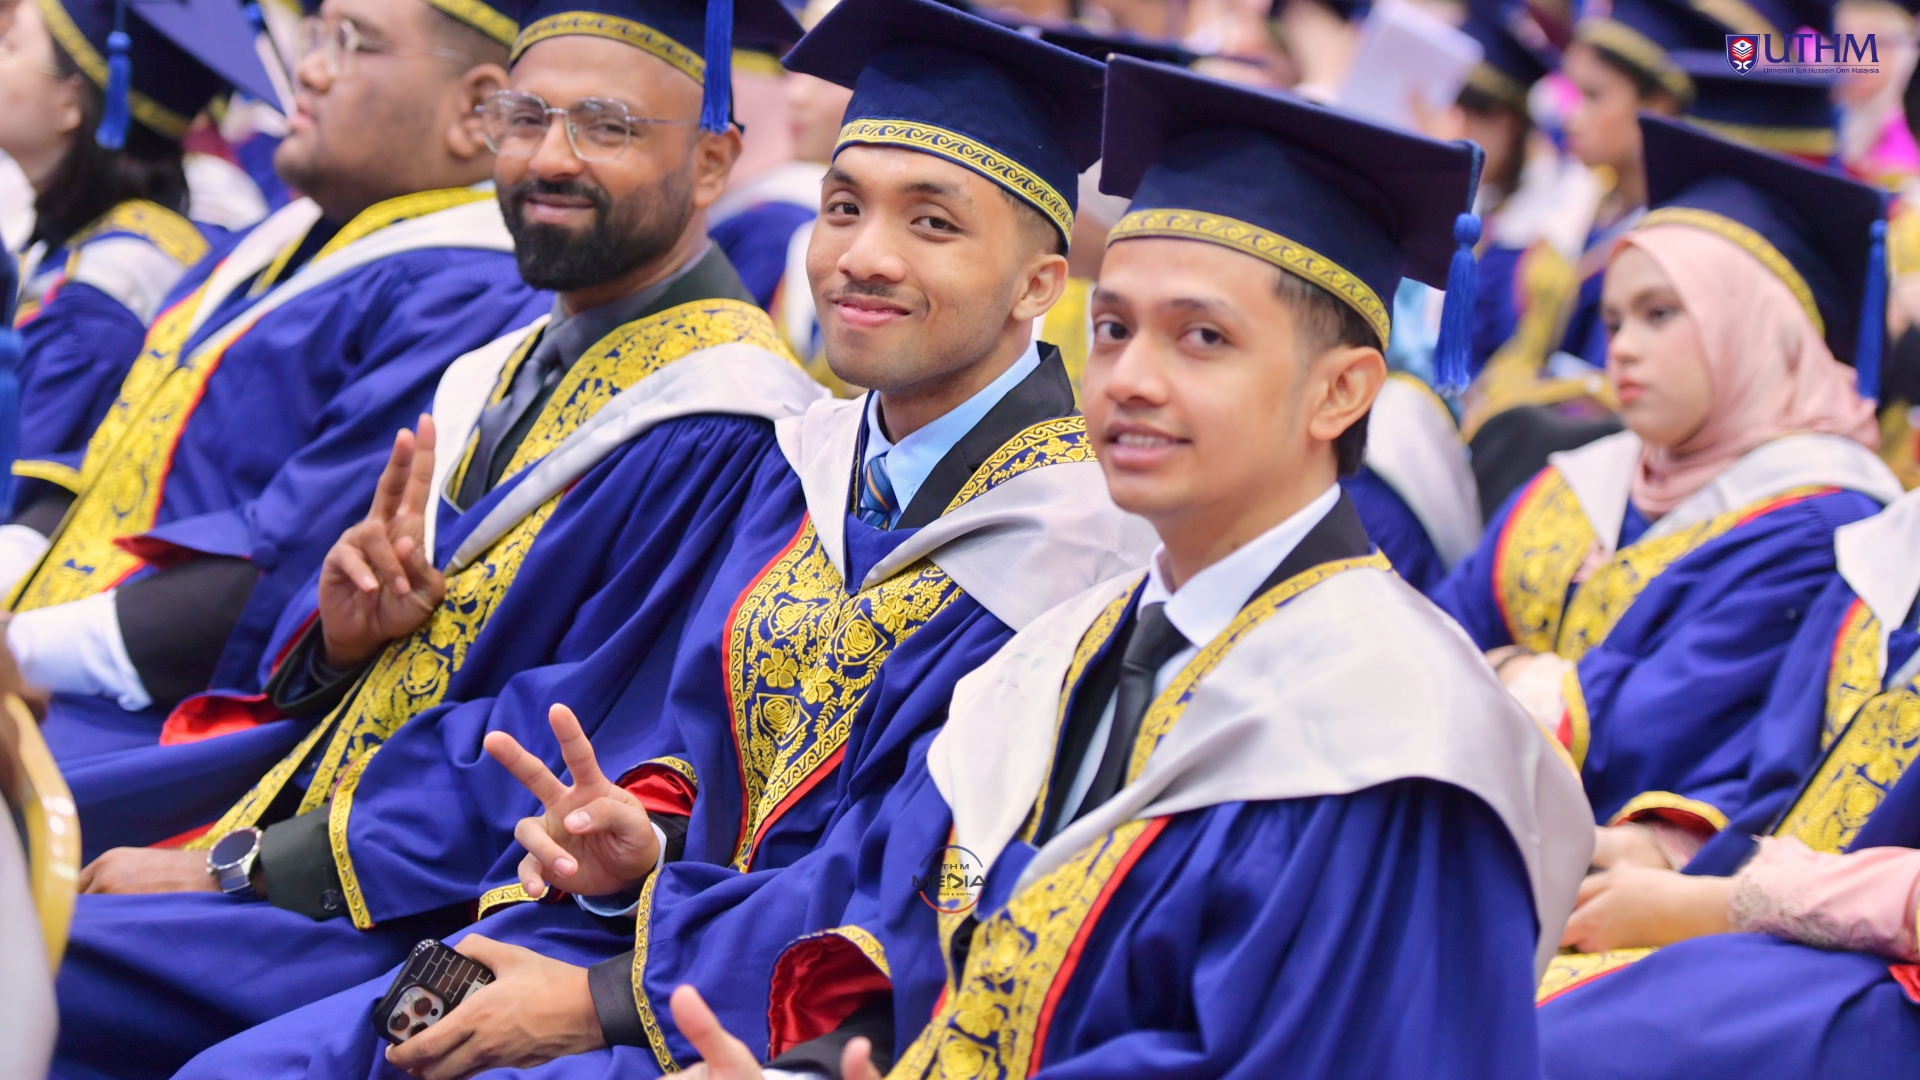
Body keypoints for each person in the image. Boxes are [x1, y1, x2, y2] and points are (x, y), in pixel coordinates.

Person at [551, 54, 1591, 1079]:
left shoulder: (1387, 747)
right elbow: (917, 949)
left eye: (1203, 338)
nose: (1130, 378)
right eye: (1114, 328)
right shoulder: (1067, 652)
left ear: (1341, 392)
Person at [169, 2, 1154, 1076]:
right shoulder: (803, 465)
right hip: (629, 929)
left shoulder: (1076, 558)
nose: (863, 256)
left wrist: (604, 998)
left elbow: (926, 877)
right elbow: (687, 736)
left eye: (933, 224)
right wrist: (647, 833)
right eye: (842, 206)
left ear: (1040, 283)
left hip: (776, 1022)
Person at [46, 1, 842, 1074]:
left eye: (605, 126)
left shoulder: (722, 430)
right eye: (527, 117)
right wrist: (343, 634)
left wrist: (243, 865)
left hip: (431, 905)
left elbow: (562, 738)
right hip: (320, 820)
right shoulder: (513, 361)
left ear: (711, 162)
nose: (549, 157)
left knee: (32, 944)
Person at [1, 0, 549, 892]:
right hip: (74, 667)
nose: (309, 69)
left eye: (352, 42)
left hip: (187, 728)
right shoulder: (292, 233)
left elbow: (282, 574)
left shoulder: (470, 291)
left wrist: (21, 645)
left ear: (475, 107)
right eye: (315, 34)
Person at [1435, 116, 1903, 877]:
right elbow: (1432, 633)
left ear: (1752, 329)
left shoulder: (1825, 518)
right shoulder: (1584, 476)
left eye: (1660, 314)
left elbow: (1637, 737)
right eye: (1613, 319)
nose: (1620, 346)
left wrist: (1500, 666)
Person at [1532, 486, 1920, 1079]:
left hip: (1868, 975)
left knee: (1558, 1042)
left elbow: (1643, 725)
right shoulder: (1885, 553)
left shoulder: (1814, 521)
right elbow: (1784, 762)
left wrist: (1718, 905)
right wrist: (1671, 841)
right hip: (1756, 901)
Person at [0, 0, 277, 524]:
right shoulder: (104, 242)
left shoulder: (100, 300)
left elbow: (24, 500)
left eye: (11, 46)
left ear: (70, 103)